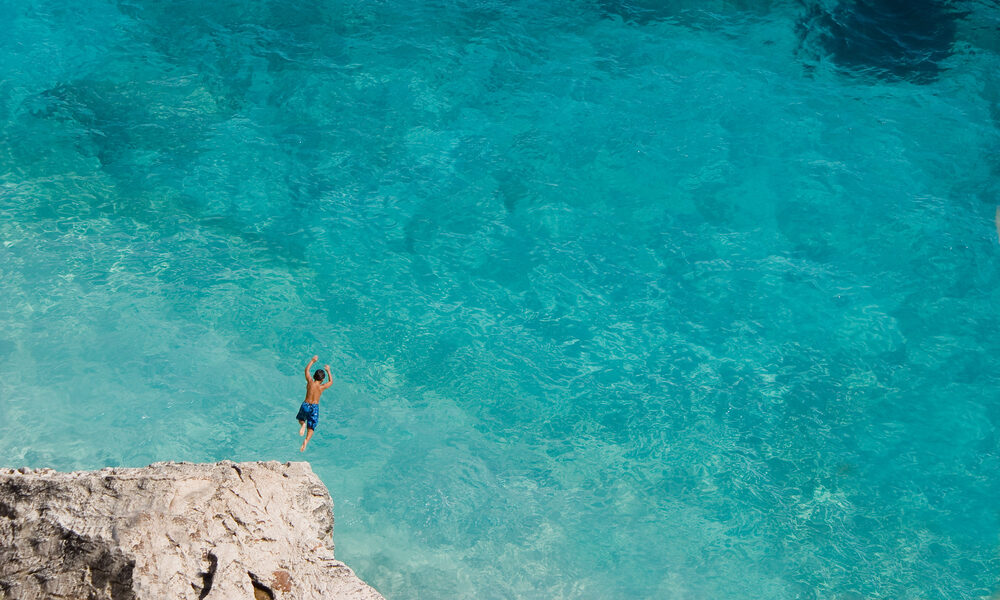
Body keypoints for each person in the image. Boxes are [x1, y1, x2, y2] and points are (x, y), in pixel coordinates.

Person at [297, 355, 332, 452]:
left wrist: (312, 361)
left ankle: (303, 424)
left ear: (314, 376)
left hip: (305, 405)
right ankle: (306, 441)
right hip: (314, 408)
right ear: (322, 380)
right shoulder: (322, 387)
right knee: (311, 427)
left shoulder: (310, 382)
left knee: (300, 419)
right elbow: (331, 382)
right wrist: (328, 370)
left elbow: (306, 370)